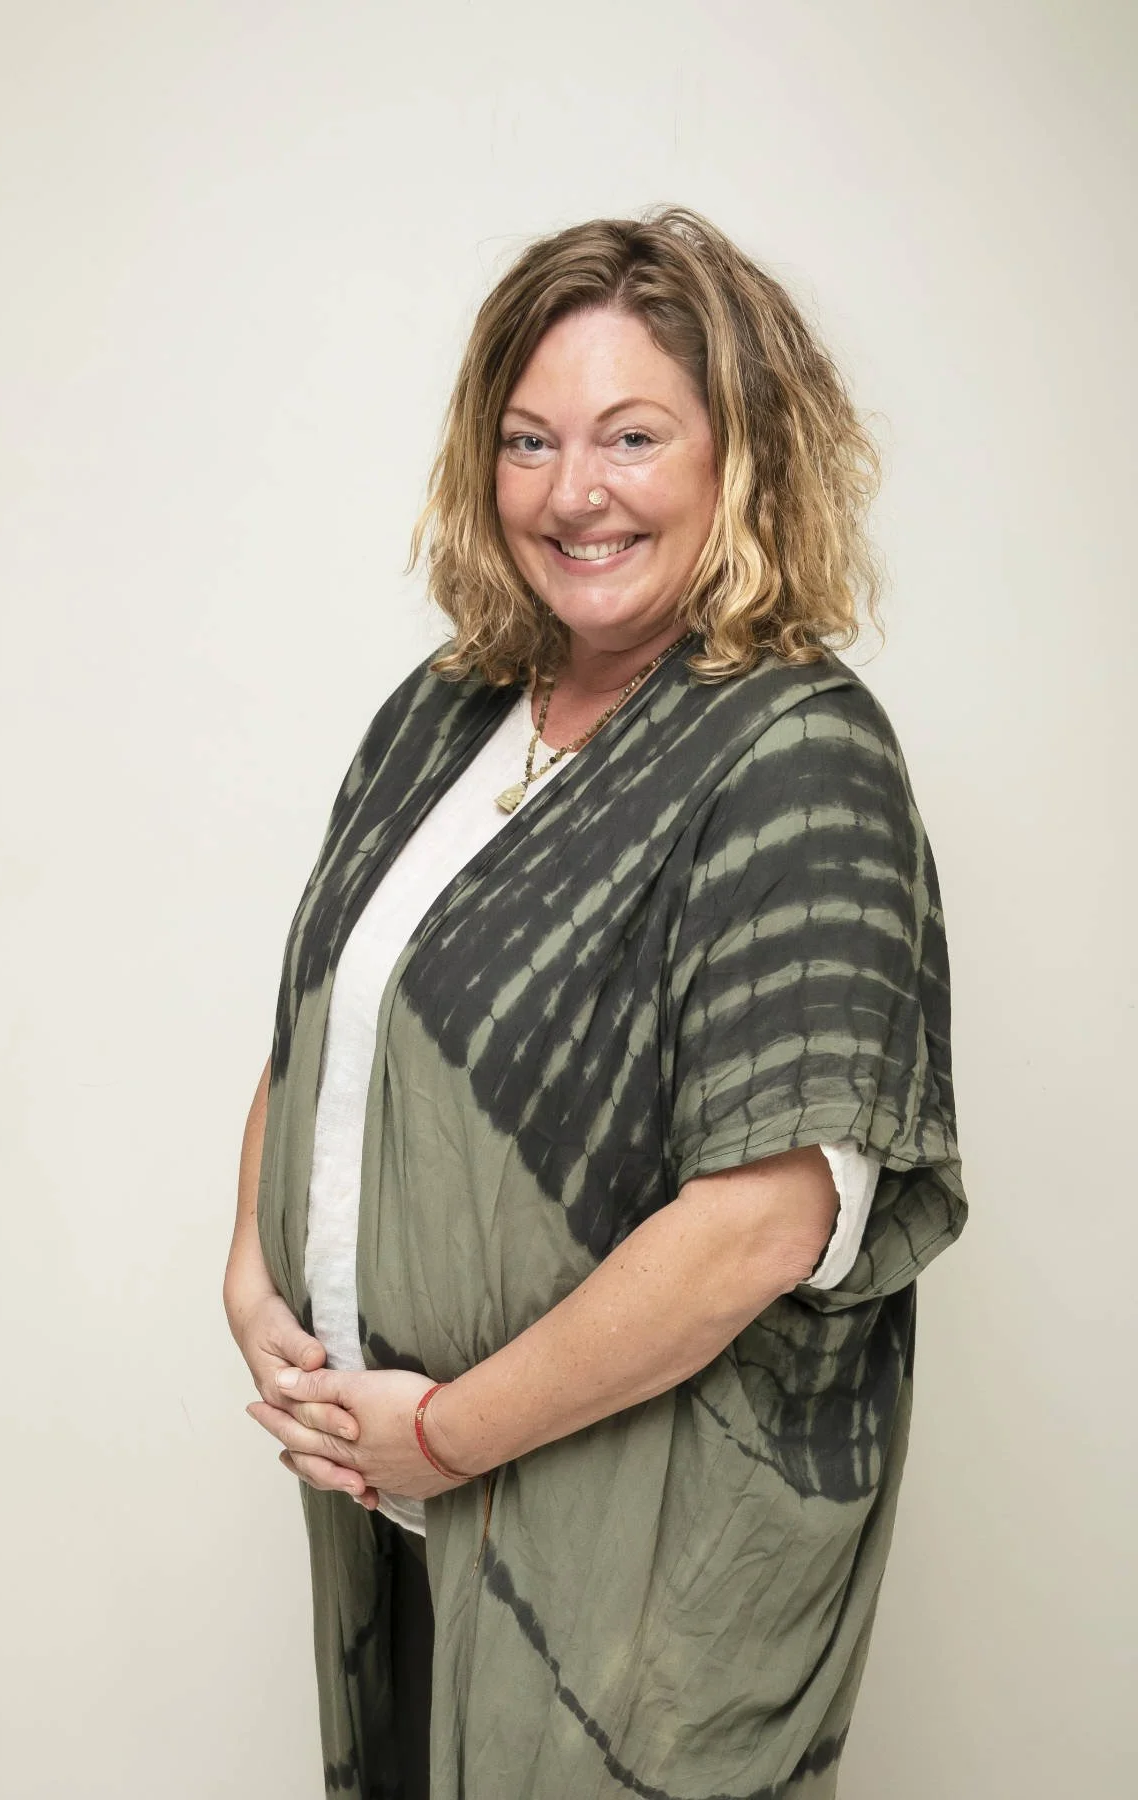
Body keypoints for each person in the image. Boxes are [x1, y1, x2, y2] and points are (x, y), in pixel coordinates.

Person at [223, 204, 967, 1800]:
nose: (576, 493)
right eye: (530, 440)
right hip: (402, 1493)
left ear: (741, 455)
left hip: (637, 1549)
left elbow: (765, 1217)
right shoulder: (445, 714)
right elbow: (327, 1020)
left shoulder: (795, 758)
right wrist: (251, 1280)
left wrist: (450, 1432)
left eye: (633, 436)